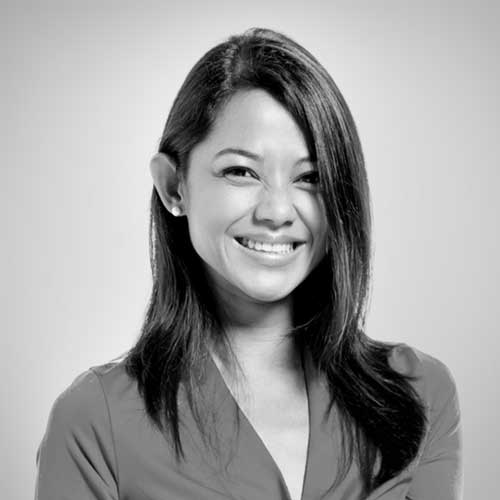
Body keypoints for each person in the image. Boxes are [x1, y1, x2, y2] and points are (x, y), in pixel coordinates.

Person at [35, 27, 463, 500]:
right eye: (241, 171)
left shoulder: (419, 396)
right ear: (174, 186)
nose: (277, 211)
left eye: (310, 177)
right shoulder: (94, 423)